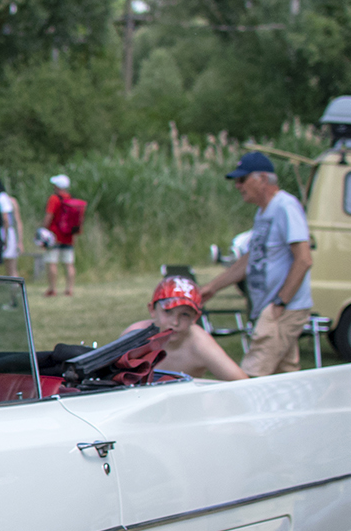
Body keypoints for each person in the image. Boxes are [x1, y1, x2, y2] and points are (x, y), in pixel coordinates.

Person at [199, 152, 313, 376]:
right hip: (272, 308)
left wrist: (280, 303)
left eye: (242, 180)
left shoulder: (285, 207)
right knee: (285, 376)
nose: (237, 186)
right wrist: (211, 288)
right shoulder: (264, 213)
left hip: (282, 309)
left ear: (262, 179)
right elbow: (249, 260)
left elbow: (304, 259)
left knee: (251, 376)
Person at [117, 276, 249, 381]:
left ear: (195, 317)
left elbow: (241, 383)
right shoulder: (134, 337)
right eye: (168, 311)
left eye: (185, 314)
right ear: (152, 309)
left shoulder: (199, 344)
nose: (175, 322)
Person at [40, 174, 85, 298]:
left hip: (54, 235)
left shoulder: (54, 199)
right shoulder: (71, 200)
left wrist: (43, 229)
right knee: (69, 263)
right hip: (68, 236)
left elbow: (49, 215)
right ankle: (69, 289)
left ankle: (52, 289)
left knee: (52, 262)